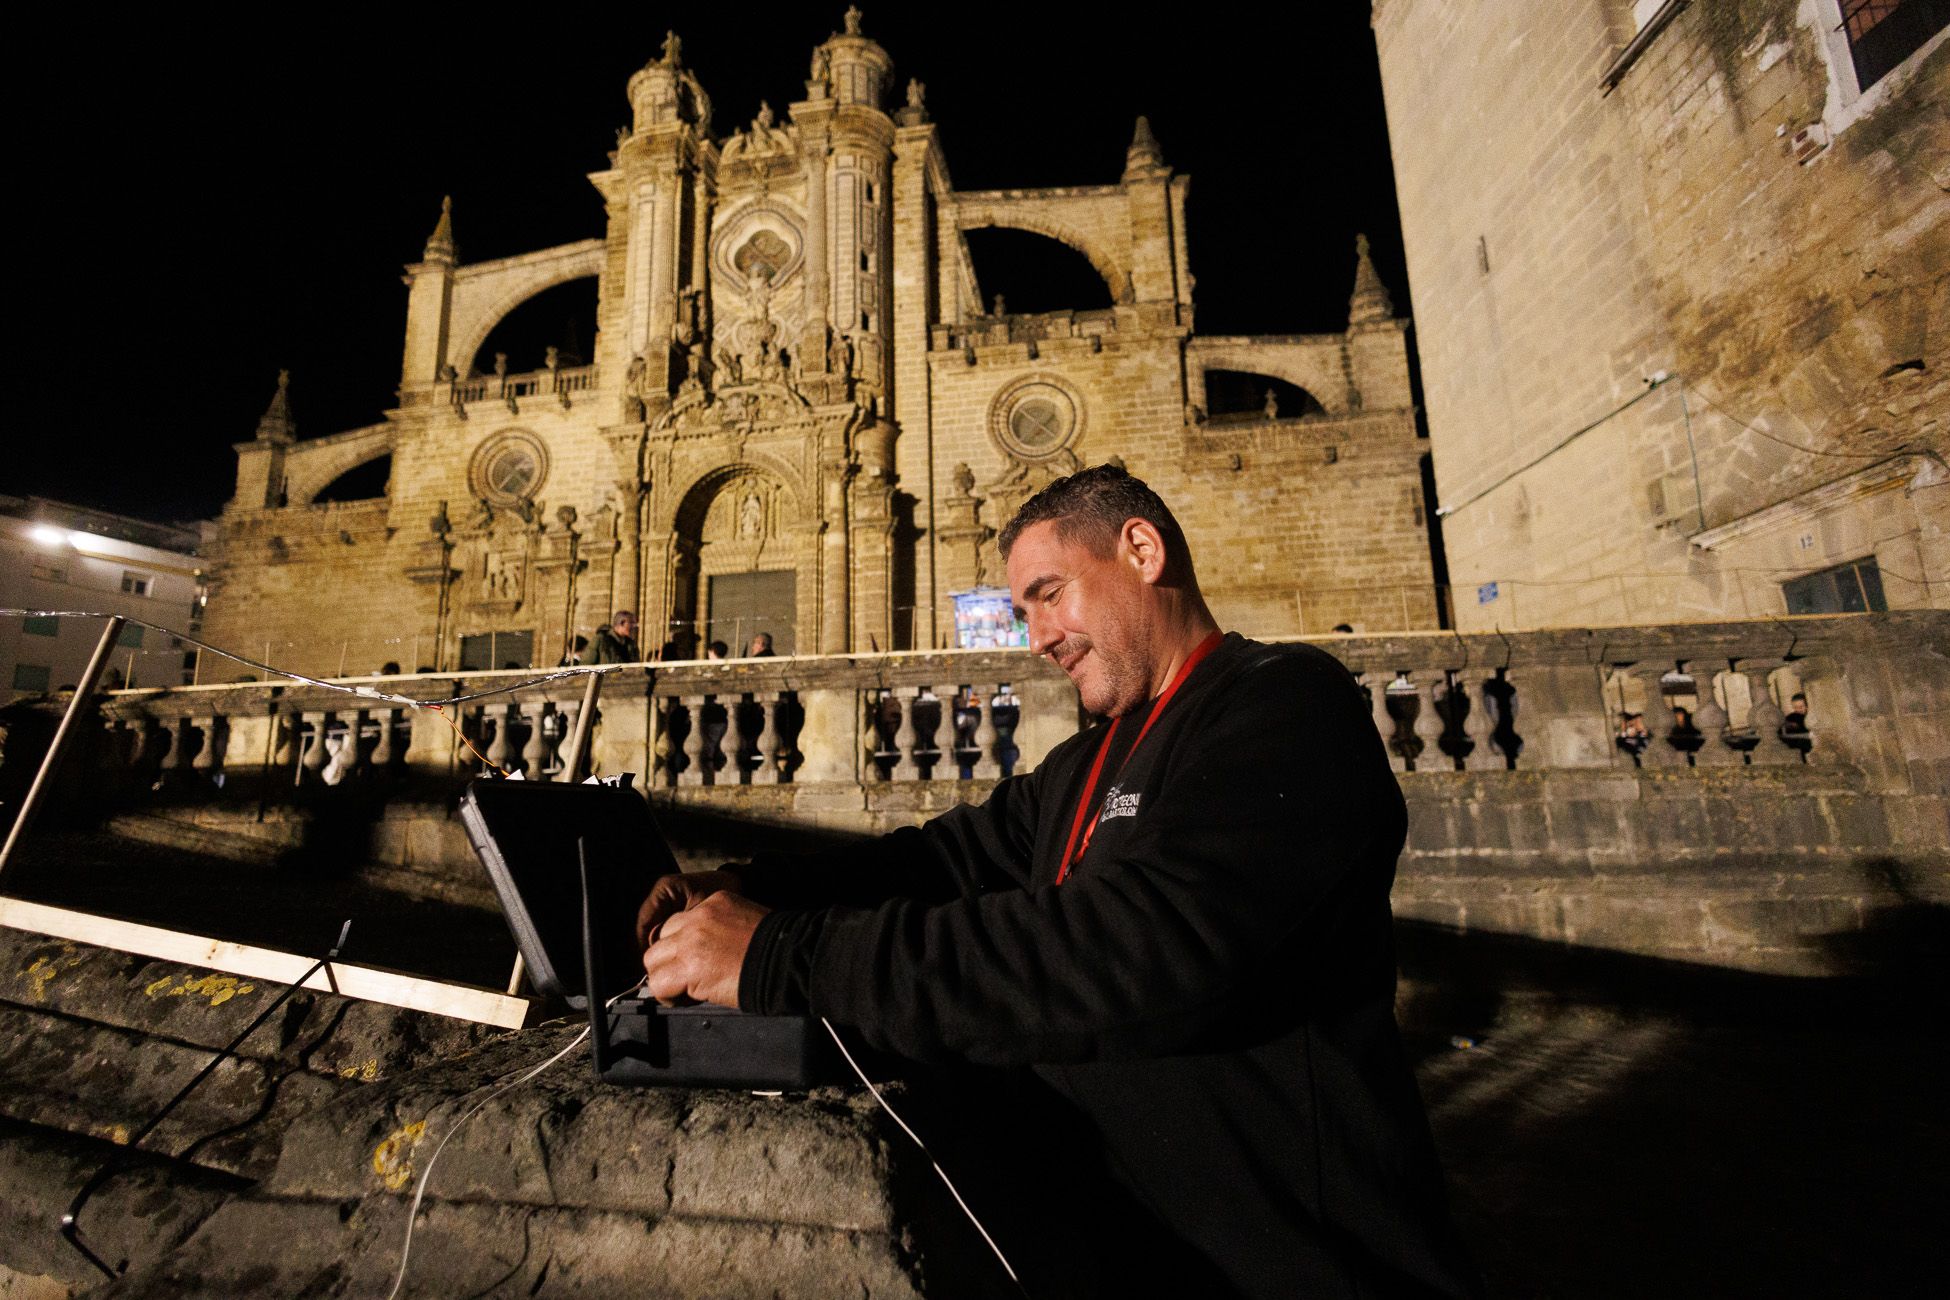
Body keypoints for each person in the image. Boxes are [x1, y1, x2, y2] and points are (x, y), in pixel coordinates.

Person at [638, 465, 1479, 1298]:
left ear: (1141, 550)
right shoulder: (1085, 761)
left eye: (1049, 594)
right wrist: (742, 888)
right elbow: (941, 862)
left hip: (1290, 1266)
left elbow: (1128, 946)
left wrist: (780, 954)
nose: (1034, 637)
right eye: (1022, 611)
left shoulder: (1286, 705)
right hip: (1129, 1253)